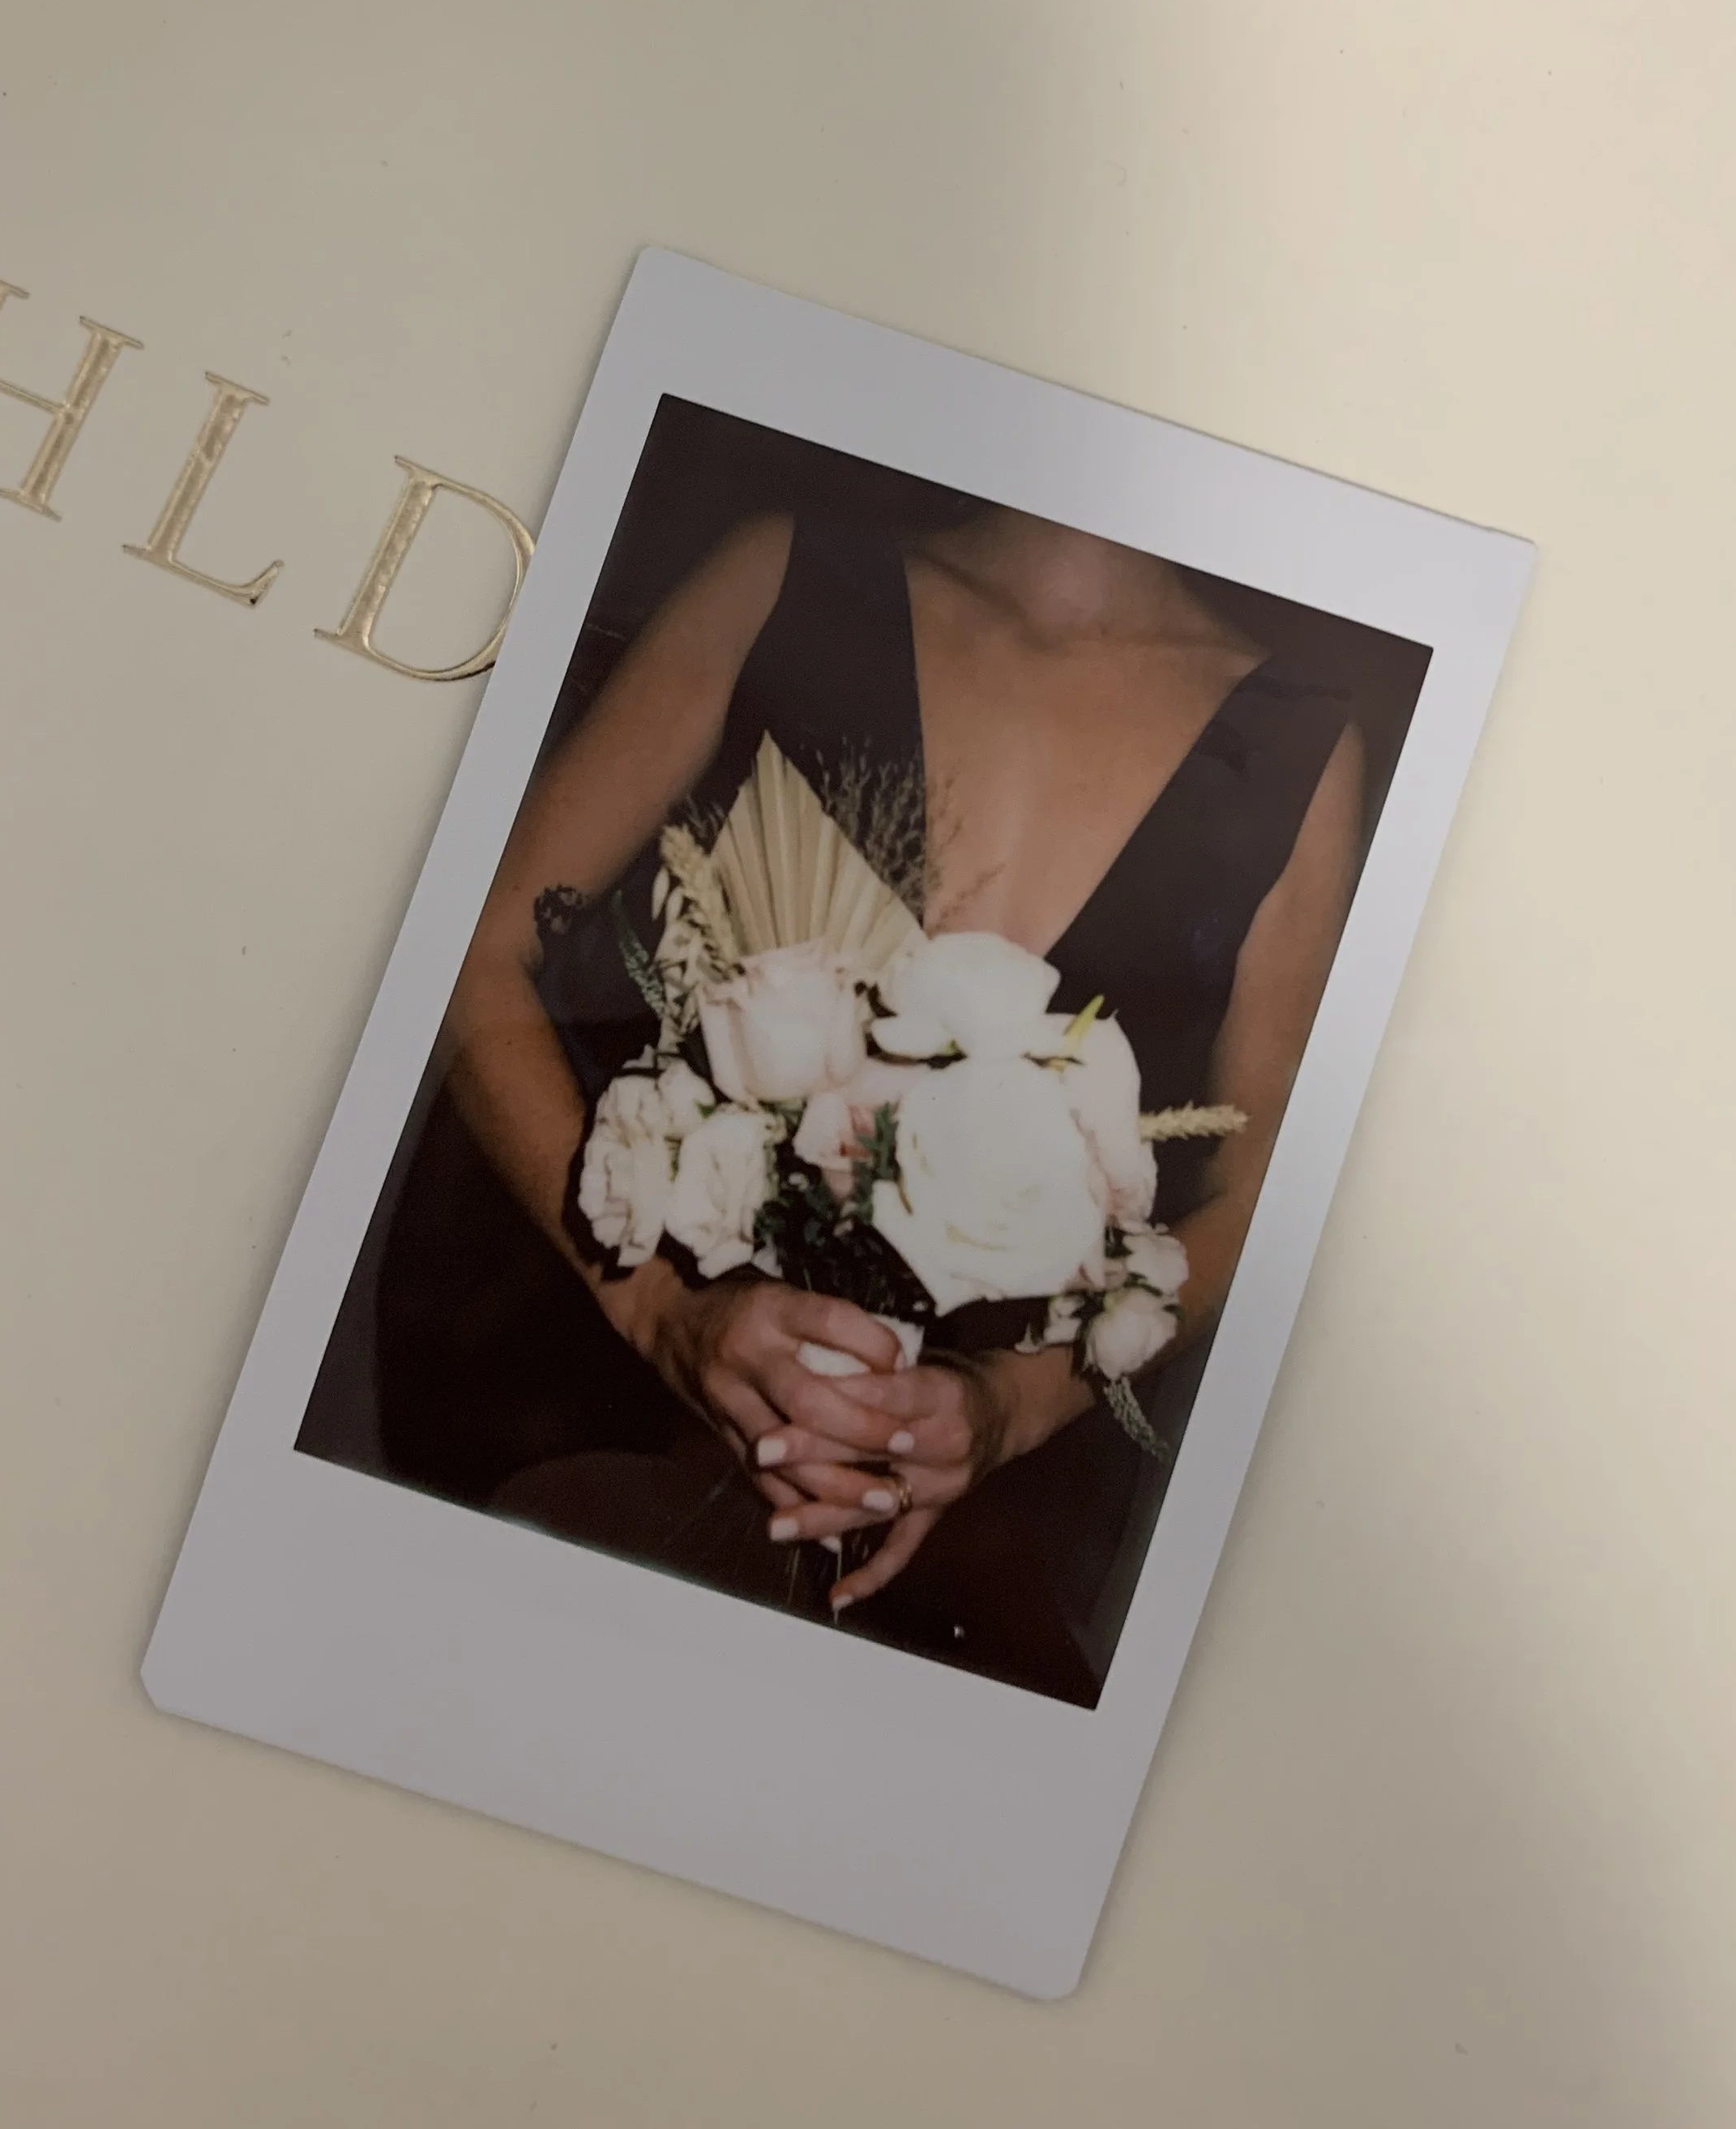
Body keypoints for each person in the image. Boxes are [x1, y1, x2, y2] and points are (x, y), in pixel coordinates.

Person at [366, 497, 1364, 1702]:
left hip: (971, 1542)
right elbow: (473, 952)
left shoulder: (1300, 747)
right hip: (594, 1418)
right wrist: (659, 1311)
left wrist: (1015, 1408)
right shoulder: (784, 575)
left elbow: (1263, 1186)